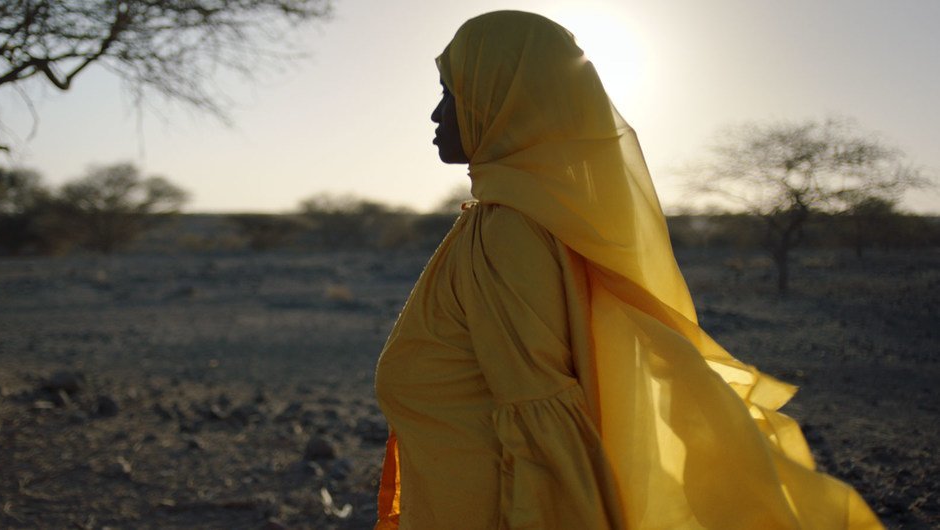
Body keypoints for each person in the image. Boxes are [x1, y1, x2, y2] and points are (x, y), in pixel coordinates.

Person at [373, 10, 881, 530]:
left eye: (452, 93)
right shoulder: (517, 214)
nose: (437, 114)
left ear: (503, 101)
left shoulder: (509, 228)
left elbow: (539, 417)